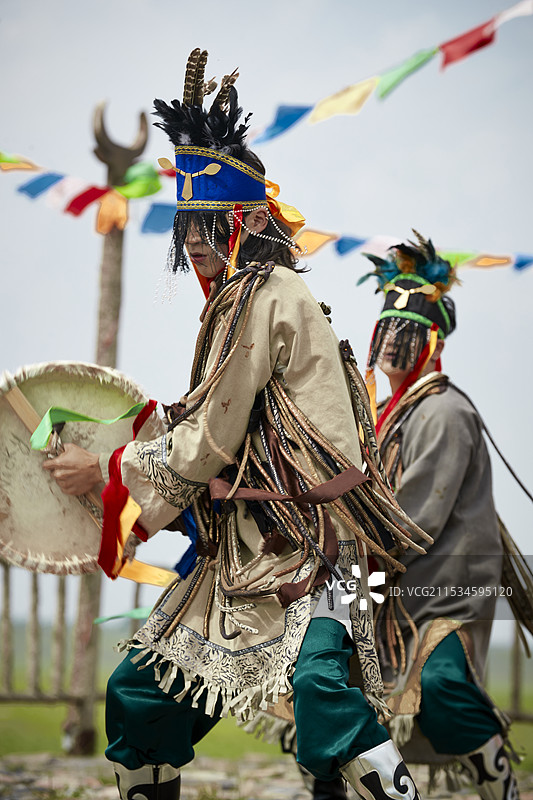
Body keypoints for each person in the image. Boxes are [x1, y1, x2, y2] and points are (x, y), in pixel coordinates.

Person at [43, 49, 430, 800]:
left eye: (208, 225)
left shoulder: (262, 293)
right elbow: (211, 426)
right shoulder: (245, 297)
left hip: (302, 549)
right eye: (187, 227)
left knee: (323, 701)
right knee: (143, 696)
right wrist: (139, 448)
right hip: (245, 555)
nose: (193, 242)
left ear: (248, 220)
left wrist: (112, 477)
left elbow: (211, 442)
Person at [360, 232, 520, 800]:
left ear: (432, 342)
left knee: (442, 687)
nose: (393, 344)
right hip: (387, 592)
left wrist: (358, 551)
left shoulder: (446, 413)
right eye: (387, 331)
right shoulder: (380, 416)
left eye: (408, 333)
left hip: (442, 594)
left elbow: (413, 517)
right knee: (325, 690)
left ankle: (498, 783)